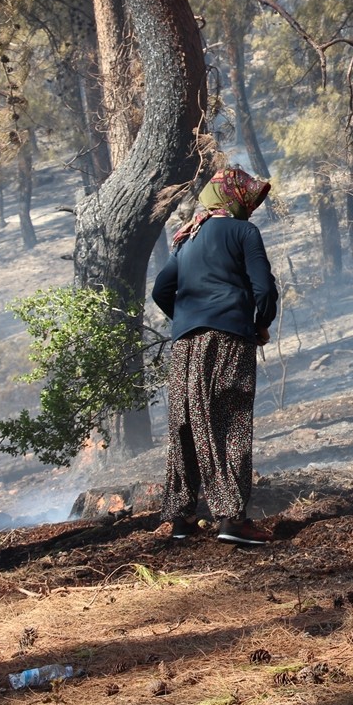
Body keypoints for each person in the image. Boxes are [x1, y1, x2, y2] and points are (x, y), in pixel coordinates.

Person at [152, 167, 279, 545]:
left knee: (186, 426)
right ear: (234, 198)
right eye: (248, 200)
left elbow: (161, 289)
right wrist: (261, 323)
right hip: (228, 339)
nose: (251, 209)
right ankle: (231, 519)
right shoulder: (243, 232)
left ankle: (183, 518)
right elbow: (264, 289)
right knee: (230, 421)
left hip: (185, 344)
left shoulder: (187, 239)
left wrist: (187, 319)